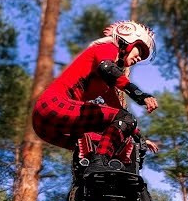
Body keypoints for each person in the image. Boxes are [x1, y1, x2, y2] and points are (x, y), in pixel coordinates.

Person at [32, 20, 159, 172]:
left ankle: (88, 178)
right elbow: (107, 68)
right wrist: (141, 96)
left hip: (46, 127)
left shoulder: (106, 85)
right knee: (110, 139)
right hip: (53, 104)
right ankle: (99, 165)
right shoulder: (107, 48)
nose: (139, 59)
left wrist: (141, 139)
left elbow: (120, 114)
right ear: (129, 41)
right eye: (140, 52)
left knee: (99, 140)